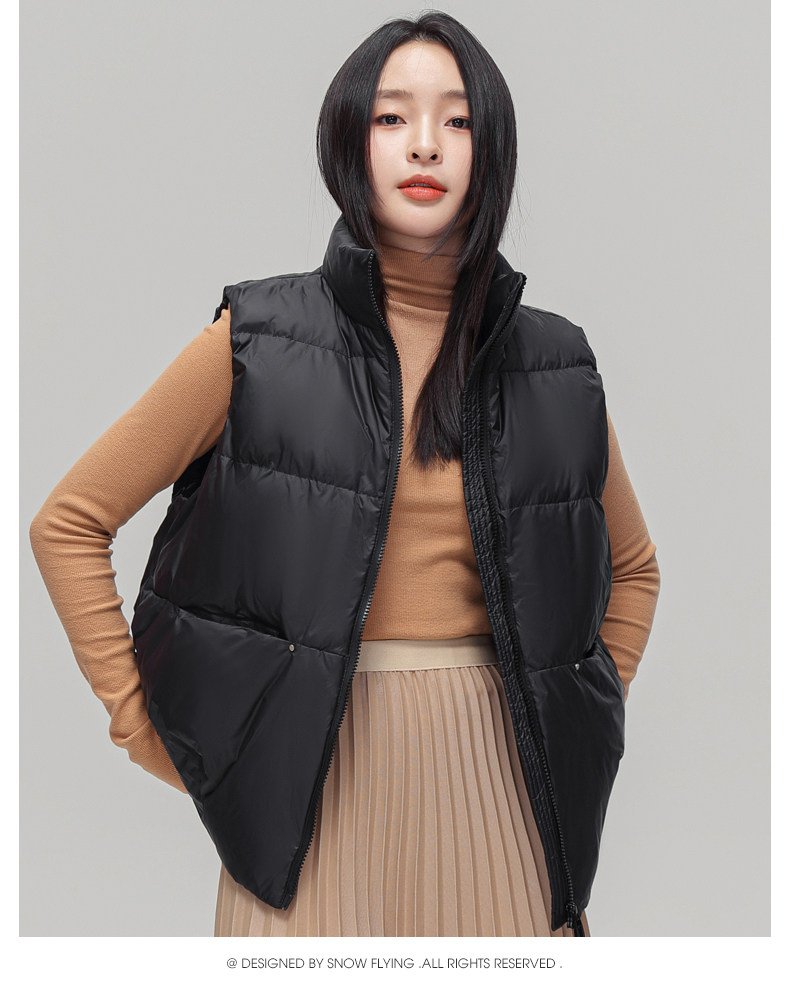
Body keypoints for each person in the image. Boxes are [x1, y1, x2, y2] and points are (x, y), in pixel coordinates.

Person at [29, 11, 660, 938]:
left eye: (457, 120)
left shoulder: (555, 363)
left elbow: (635, 568)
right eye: (392, 116)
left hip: (503, 796)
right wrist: (145, 727)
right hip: (302, 804)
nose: (425, 144)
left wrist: (571, 707)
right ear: (349, 139)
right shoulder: (257, 340)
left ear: (490, 148)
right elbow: (69, 522)